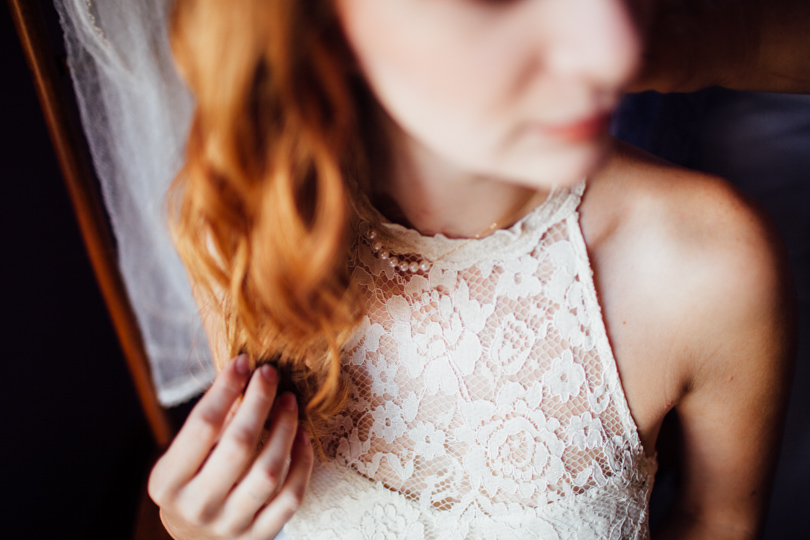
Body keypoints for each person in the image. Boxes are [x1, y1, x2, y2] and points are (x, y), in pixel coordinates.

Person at [147, 1, 795, 539]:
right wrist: (198, 531)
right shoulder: (243, 222)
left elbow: (717, 520)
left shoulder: (709, 264)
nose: (616, 48)